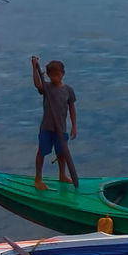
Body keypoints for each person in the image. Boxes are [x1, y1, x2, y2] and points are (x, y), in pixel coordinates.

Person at [32, 56, 77, 191]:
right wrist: (34, 68)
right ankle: (38, 178)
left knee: (62, 153)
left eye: (57, 75)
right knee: (42, 152)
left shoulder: (68, 90)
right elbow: (37, 84)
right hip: (47, 127)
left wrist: (74, 126)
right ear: (49, 75)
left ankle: (62, 174)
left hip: (61, 129)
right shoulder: (46, 87)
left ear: (62, 74)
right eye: (52, 75)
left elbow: (72, 108)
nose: (55, 78)